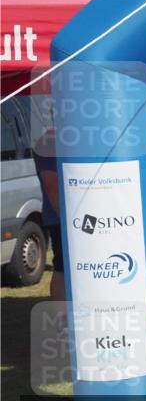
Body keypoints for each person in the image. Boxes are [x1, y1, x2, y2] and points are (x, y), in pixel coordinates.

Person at [32, 127, 64, 301]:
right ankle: (63, 320)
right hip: (61, 218)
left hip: (81, 217)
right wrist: (66, 220)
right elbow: (52, 185)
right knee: (62, 267)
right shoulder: (49, 142)